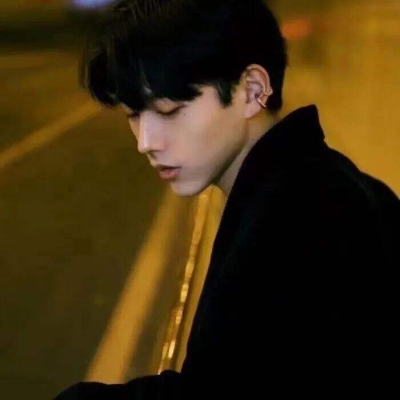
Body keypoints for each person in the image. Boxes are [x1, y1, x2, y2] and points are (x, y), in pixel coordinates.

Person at [55, 0, 399, 398]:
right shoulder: (320, 184)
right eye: (133, 114)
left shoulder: (299, 222)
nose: (145, 142)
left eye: (169, 110)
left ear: (251, 91)